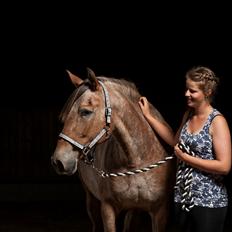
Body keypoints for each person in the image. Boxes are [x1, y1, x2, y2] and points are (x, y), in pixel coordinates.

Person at [138, 66, 231, 232]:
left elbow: (224, 166)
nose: (186, 94)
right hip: (182, 197)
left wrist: (186, 158)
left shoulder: (217, 121)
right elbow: (175, 141)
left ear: (208, 92)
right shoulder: (188, 115)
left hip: (208, 201)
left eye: (192, 91)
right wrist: (148, 116)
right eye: (186, 89)